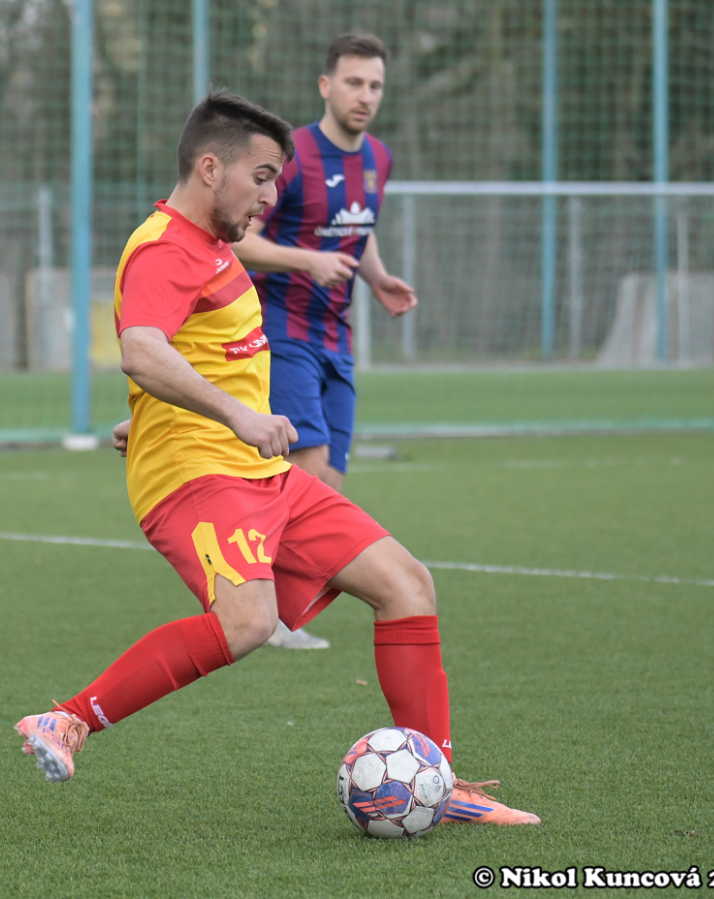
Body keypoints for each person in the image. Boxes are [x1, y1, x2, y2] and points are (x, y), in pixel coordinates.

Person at [13, 90, 537, 826]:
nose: (269, 196)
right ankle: (67, 719)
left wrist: (158, 415)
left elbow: (189, 352)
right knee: (247, 622)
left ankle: (441, 784)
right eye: (260, 177)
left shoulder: (212, 245)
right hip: (200, 478)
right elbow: (141, 348)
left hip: (257, 471)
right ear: (209, 168)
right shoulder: (166, 247)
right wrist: (233, 414)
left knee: (406, 583)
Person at [234, 33, 415, 652]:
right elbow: (241, 238)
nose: (365, 95)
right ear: (326, 86)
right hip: (282, 328)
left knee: (329, 480)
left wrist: (377, 277)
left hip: (338, 336)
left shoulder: (379, 159)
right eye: (354, 82)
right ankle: (270, 613)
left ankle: (274, 604)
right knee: (307, 469)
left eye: (375, 85)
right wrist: (307, 261)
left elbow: (359, 229)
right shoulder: (293, 159)